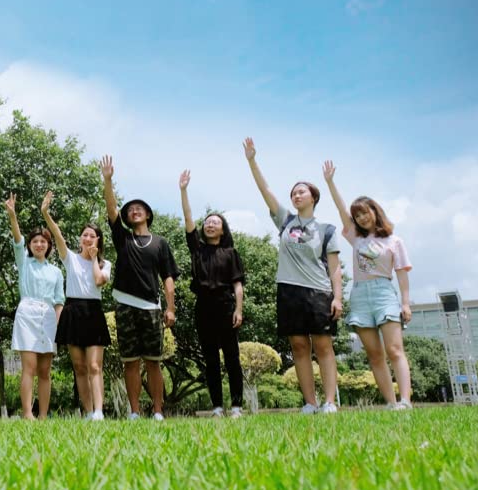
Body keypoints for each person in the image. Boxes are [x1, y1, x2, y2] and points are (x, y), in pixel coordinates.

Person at [243, 137, 342, 414]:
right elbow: (265, 189)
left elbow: (335, 268)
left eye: (302, 192)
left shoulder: (327, 230)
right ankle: (310, 402)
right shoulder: (285, 220)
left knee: (323, 346)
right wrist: (252, 161)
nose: (296, 196)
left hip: (319, 292)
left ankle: (329, 401)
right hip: (289, 290)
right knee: (298, 346)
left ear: (313, 198)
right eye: (294, 193)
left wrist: (338, 298)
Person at [323, 160, 414, 409]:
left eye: (365, 212)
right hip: (360, 295)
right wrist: (330, 183)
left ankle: (405, 401)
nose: (362, 218)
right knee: (374, 354)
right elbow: (341, 209)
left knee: (395, 350)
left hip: (384, 293)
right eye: (358, 215)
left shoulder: (394, 241)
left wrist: (405, 303)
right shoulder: (356, 238)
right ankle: (391, 403)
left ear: (375, 211)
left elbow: (402, 274)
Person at [100, 155, 179, 421]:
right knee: (130, 362)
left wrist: (170, 308)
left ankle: (157, 411)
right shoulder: (123, 238)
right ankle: (134, 412)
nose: (134, 211)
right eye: (130, 209)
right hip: (125, 305)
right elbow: (111, 208)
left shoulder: (160, 243)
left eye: (139, 208)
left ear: (147, 214)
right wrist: (108, 180)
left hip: (151, 308)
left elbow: (168, 277)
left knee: (154, 362)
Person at [179, 170, 246, 418]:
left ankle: (236, 406)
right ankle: (217, 407)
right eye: (207, 222)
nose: (209, 224)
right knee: (211, 360)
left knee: (232, 357)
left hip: (226, 306)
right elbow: (188, 218)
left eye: (215, 222)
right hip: (203, 308)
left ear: (222, 230)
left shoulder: (230, 253)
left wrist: (238, 309)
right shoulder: (197, 249)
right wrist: (183, 191)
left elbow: (238, 285)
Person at [41, 190, 111, 420]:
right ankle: (89, 412)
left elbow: (99, 281)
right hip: (72, 311)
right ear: (80, 238)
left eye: (92, 236)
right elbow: (57, 234)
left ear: (98, 240)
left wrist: (94, 258)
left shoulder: (105, 264)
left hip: (93, 312)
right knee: (79, 367)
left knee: (94, 366)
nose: (87, 239)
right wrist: (46, 213)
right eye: (84, 235)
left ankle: (99, 411)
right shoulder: (70, 258)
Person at [3, 193, 66, 420]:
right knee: (29, 367)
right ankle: (28, 414)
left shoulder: (56, 271)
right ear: (30, 245)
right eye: (35, 241)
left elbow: (59, 301)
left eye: (43, 241)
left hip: (48, 318)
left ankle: (43, 416)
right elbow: (17, 239)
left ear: (49, 246)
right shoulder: (24, 263)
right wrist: (13, 216)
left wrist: (58, 327)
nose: (39, 244)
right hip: (27, 314)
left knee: (45, 371)